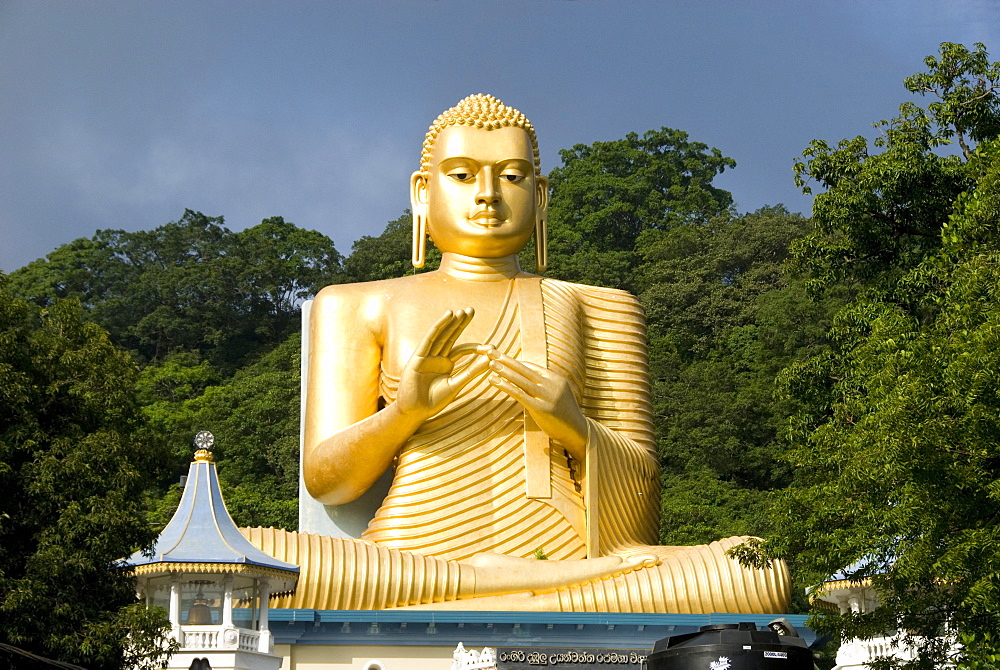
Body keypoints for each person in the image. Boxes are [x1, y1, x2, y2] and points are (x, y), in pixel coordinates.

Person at [245, 95, 791, 613]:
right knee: (243, 558)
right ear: (421, 192)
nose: (488, 193)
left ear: (541, 193)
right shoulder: (356, 304)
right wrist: (404, 413)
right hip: (406, 556)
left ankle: (508, 589)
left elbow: (640, 513)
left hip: (569, 552)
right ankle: (499, 588)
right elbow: (327, 480)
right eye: (461, 175)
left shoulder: (597, 306)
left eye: (511, 176)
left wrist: (575, 426)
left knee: (757, 566)